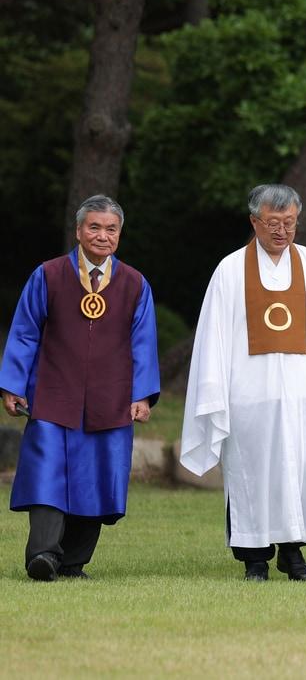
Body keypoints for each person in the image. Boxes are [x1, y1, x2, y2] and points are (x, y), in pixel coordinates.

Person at [181, 184, 306, 581]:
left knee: (297, 472)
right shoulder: (230, 270)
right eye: (273, 223)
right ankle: (254, 557)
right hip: (248, 395)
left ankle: (293, 552)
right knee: (249, 474)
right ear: (254, 222)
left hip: (301, 394)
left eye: (290, 222)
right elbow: (214, 336)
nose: (282, 231)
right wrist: (215, 392)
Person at [0, 195, 159, 581]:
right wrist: (13, 384)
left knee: (97, 477)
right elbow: (24, 332)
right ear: (78, 230)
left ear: (119, 234)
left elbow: (143, 343)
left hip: (111, 397)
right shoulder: (48, 275)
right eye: (94, 227)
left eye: (111, 229)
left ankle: (72, 562)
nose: (103, 236)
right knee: (46, 473)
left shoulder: (135, 284)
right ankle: (43, 555)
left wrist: (141, 394)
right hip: (53, 393)